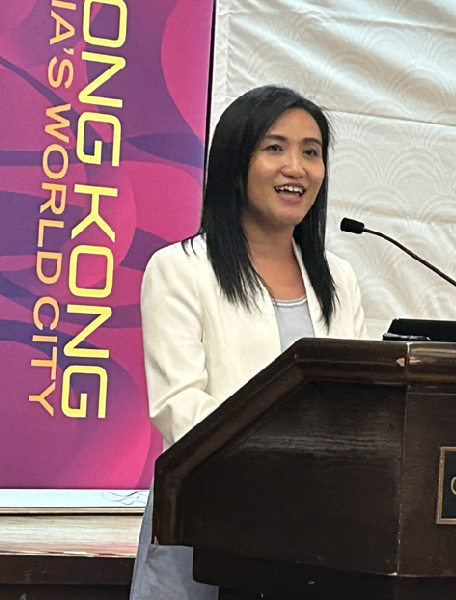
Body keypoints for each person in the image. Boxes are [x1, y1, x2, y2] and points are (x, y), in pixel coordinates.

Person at [130, 85, 367, 599]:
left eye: (311, 152)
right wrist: (281, 462)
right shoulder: (180, 270)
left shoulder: (339, 280)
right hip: (207, 519)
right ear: (236, 164)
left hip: (315, 530)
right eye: (275, 148)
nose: (296, 168)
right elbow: (179, 406)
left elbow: (355, 404)